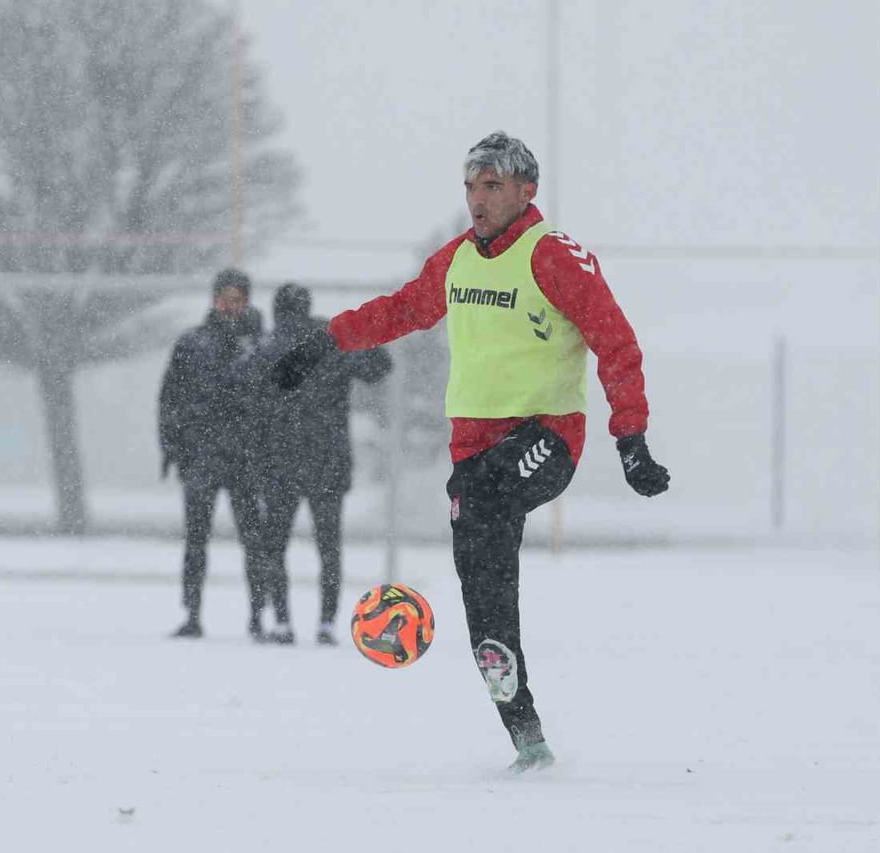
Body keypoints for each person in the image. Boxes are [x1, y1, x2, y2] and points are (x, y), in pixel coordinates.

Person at [272, 131, 670, 773]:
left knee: (477, 491)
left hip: (546, 437)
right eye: (469, 187)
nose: (476, 200)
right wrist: (326, 343)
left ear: (524, 191)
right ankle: (527, 735)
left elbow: (616, 342)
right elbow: (401, 310)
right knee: (481, 595)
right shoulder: (457, 259)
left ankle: (518, 706)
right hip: (474, 452)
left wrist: (632, 438)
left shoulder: (554, 256)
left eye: (490, 187)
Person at [246, 282, 392, 647]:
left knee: (275, 545)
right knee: (329, 545)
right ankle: (326, 624)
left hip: (278, 463)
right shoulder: (331, 342)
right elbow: (379, 366)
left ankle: (281, 621)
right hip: (327, 461)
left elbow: (241, 395)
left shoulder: (266, 347)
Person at [158, 268, 284, 643]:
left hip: (246, 458)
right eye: (224, 298)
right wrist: (172, 446)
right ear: (213, 299)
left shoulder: (261, 347)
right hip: (201, 455)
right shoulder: (192, 343)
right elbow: (170, 399)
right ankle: (192, 613)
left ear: (247, 301)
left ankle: (257, 616)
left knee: (253, 540)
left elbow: (274, 403)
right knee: (196, 539)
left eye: (237, 299)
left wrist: (267, 448)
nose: (230, 306)